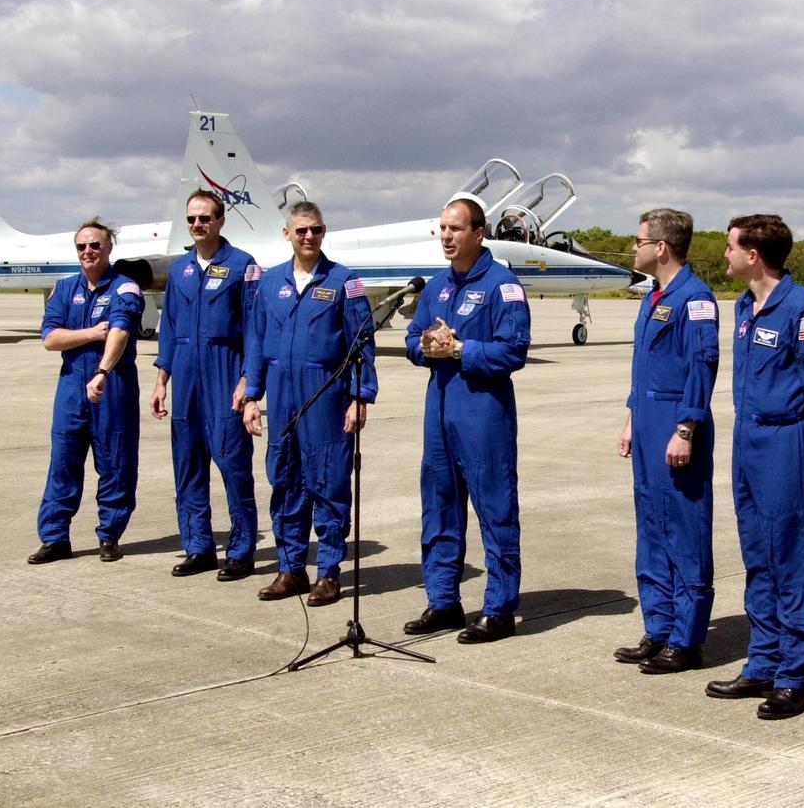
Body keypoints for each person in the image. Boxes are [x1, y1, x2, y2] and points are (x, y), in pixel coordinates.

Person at [705, 214, 804, 717]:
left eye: (730, 247)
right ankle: (762, 662)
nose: (724, 254)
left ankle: (796, 676)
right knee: (758, 553)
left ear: (753, 255)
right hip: (749, 438)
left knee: (793, 557)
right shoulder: (745, 306)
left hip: (789, 439)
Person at [402, 194, 531, 644]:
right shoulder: (437, 285)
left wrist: (461, 350)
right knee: (438, 505)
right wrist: (427, 347)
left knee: (495, 508)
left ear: (479, 233)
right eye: (442, 228)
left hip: (482, 413)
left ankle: (498, 608)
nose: (446, 236)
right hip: (438, 411)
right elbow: (412, 337)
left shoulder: (502, 286)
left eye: (455, 229)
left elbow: (514, 350)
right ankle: (443, 601)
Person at [242, 201, 376, 605]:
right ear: (287, 234)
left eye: (315, 230)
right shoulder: (269, 284)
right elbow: (256, 341)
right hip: (282, 396)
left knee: (328, 482)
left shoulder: (344, 283)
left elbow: (361, 345)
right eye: (301, 230)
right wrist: (252, 396)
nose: (308, 237)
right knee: (285, 482)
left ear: (323, 232)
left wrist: (359, 397)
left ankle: (329, 573)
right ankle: (291, 569)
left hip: (326, 395)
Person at [615, 208, 719, 674]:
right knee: (651, 526)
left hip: (678, 421)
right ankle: (658, 627)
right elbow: (645, 367)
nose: (633, 247)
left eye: (639, 240)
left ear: (661, 247)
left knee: (684, 528)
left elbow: (702, 366)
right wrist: (632, 418)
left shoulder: (696, 299)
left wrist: (686, 427)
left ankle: (687, 638)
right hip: (649, 418)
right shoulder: (652, 296)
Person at [150, 189, 261, 581]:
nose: (198, 225)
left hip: (224, 372)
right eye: (192, 219)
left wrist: (248, 380)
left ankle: (242, 551)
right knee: (188, 466)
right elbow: (171, 330)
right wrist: (162, 379)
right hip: (186, 377)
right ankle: (197, 547)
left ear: (221, 220)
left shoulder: (242, 266)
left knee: (232, 464)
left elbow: (254, 330)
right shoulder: (180, 270)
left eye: (205, 218)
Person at [30, 218, 144, 564]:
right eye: (82, 246)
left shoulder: (125, 289)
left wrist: (102, 371)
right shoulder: (64, 289)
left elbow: (120, 333)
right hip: (70, 388)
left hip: (113, 387)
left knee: (115, 462)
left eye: (95, 245)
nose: (88, 252)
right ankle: (54, 538)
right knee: (63, 461)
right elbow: (50, 338)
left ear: (109, 248)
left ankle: (109, 536)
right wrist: (93, 333)